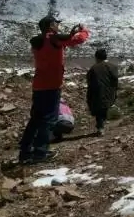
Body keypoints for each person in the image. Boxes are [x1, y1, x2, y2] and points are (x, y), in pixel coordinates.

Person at [19, 16, 90, 164]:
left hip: (39, 85)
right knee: (48, 119)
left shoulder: (38, 41)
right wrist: (84, 30)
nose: (58, 26)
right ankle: (40, 153)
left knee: (36, 119)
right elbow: (78, 40)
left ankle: (25, 152)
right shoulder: (54, 39)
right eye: (56, 23)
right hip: (52, 85)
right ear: (51, 25)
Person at [87, 48, 119, 136]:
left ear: (96, 57)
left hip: (97, 93)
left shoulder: (93, 68)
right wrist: (114, 91)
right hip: (110, 93)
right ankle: (102, 125)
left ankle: (100, 127)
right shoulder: (113, 67)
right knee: (104, 109)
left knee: (99, 110)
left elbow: (89, 82)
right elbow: (115, 80)